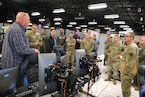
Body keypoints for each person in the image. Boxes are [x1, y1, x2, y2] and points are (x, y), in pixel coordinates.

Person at [119, 32, 138, 97]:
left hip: (127, 72)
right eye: (125, 36)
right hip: (125, 70)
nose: (125, 37)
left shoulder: (132, 47)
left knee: (125, 89)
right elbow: (126, 57)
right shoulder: (129, 46)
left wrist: (125, 71)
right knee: (125, 87)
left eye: (127, 36)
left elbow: (130, 62)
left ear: (132, 38)